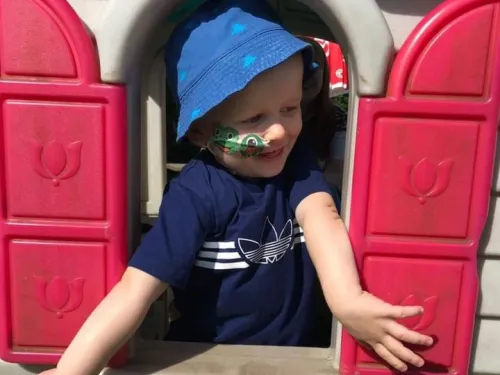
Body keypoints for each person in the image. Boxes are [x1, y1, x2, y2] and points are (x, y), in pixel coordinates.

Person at [39, 1, 433, 374]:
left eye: (289, 108)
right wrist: (75, 368)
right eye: (254, 118)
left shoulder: (293, 165)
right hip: (207, 357)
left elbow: (322, 216)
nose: (279, 130)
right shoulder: (195, 194)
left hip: (301, 355)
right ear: (200, 132)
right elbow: (135, 290)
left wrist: (347, 301)